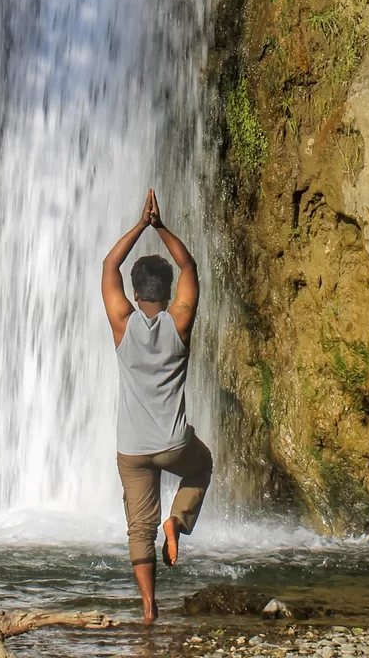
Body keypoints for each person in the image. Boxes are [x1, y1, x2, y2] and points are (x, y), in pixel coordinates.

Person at [101, 188, 213, 623]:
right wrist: (161, 226)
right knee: (202, 465)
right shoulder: (180, 323)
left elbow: (109, 265)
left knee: (138, 528)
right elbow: (190, 266)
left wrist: (139, 225)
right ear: (168, 293)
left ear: (133, 292)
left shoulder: (122, 324)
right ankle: (177, 522)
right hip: (172, 443)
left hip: (131, 449)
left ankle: (149, 607)